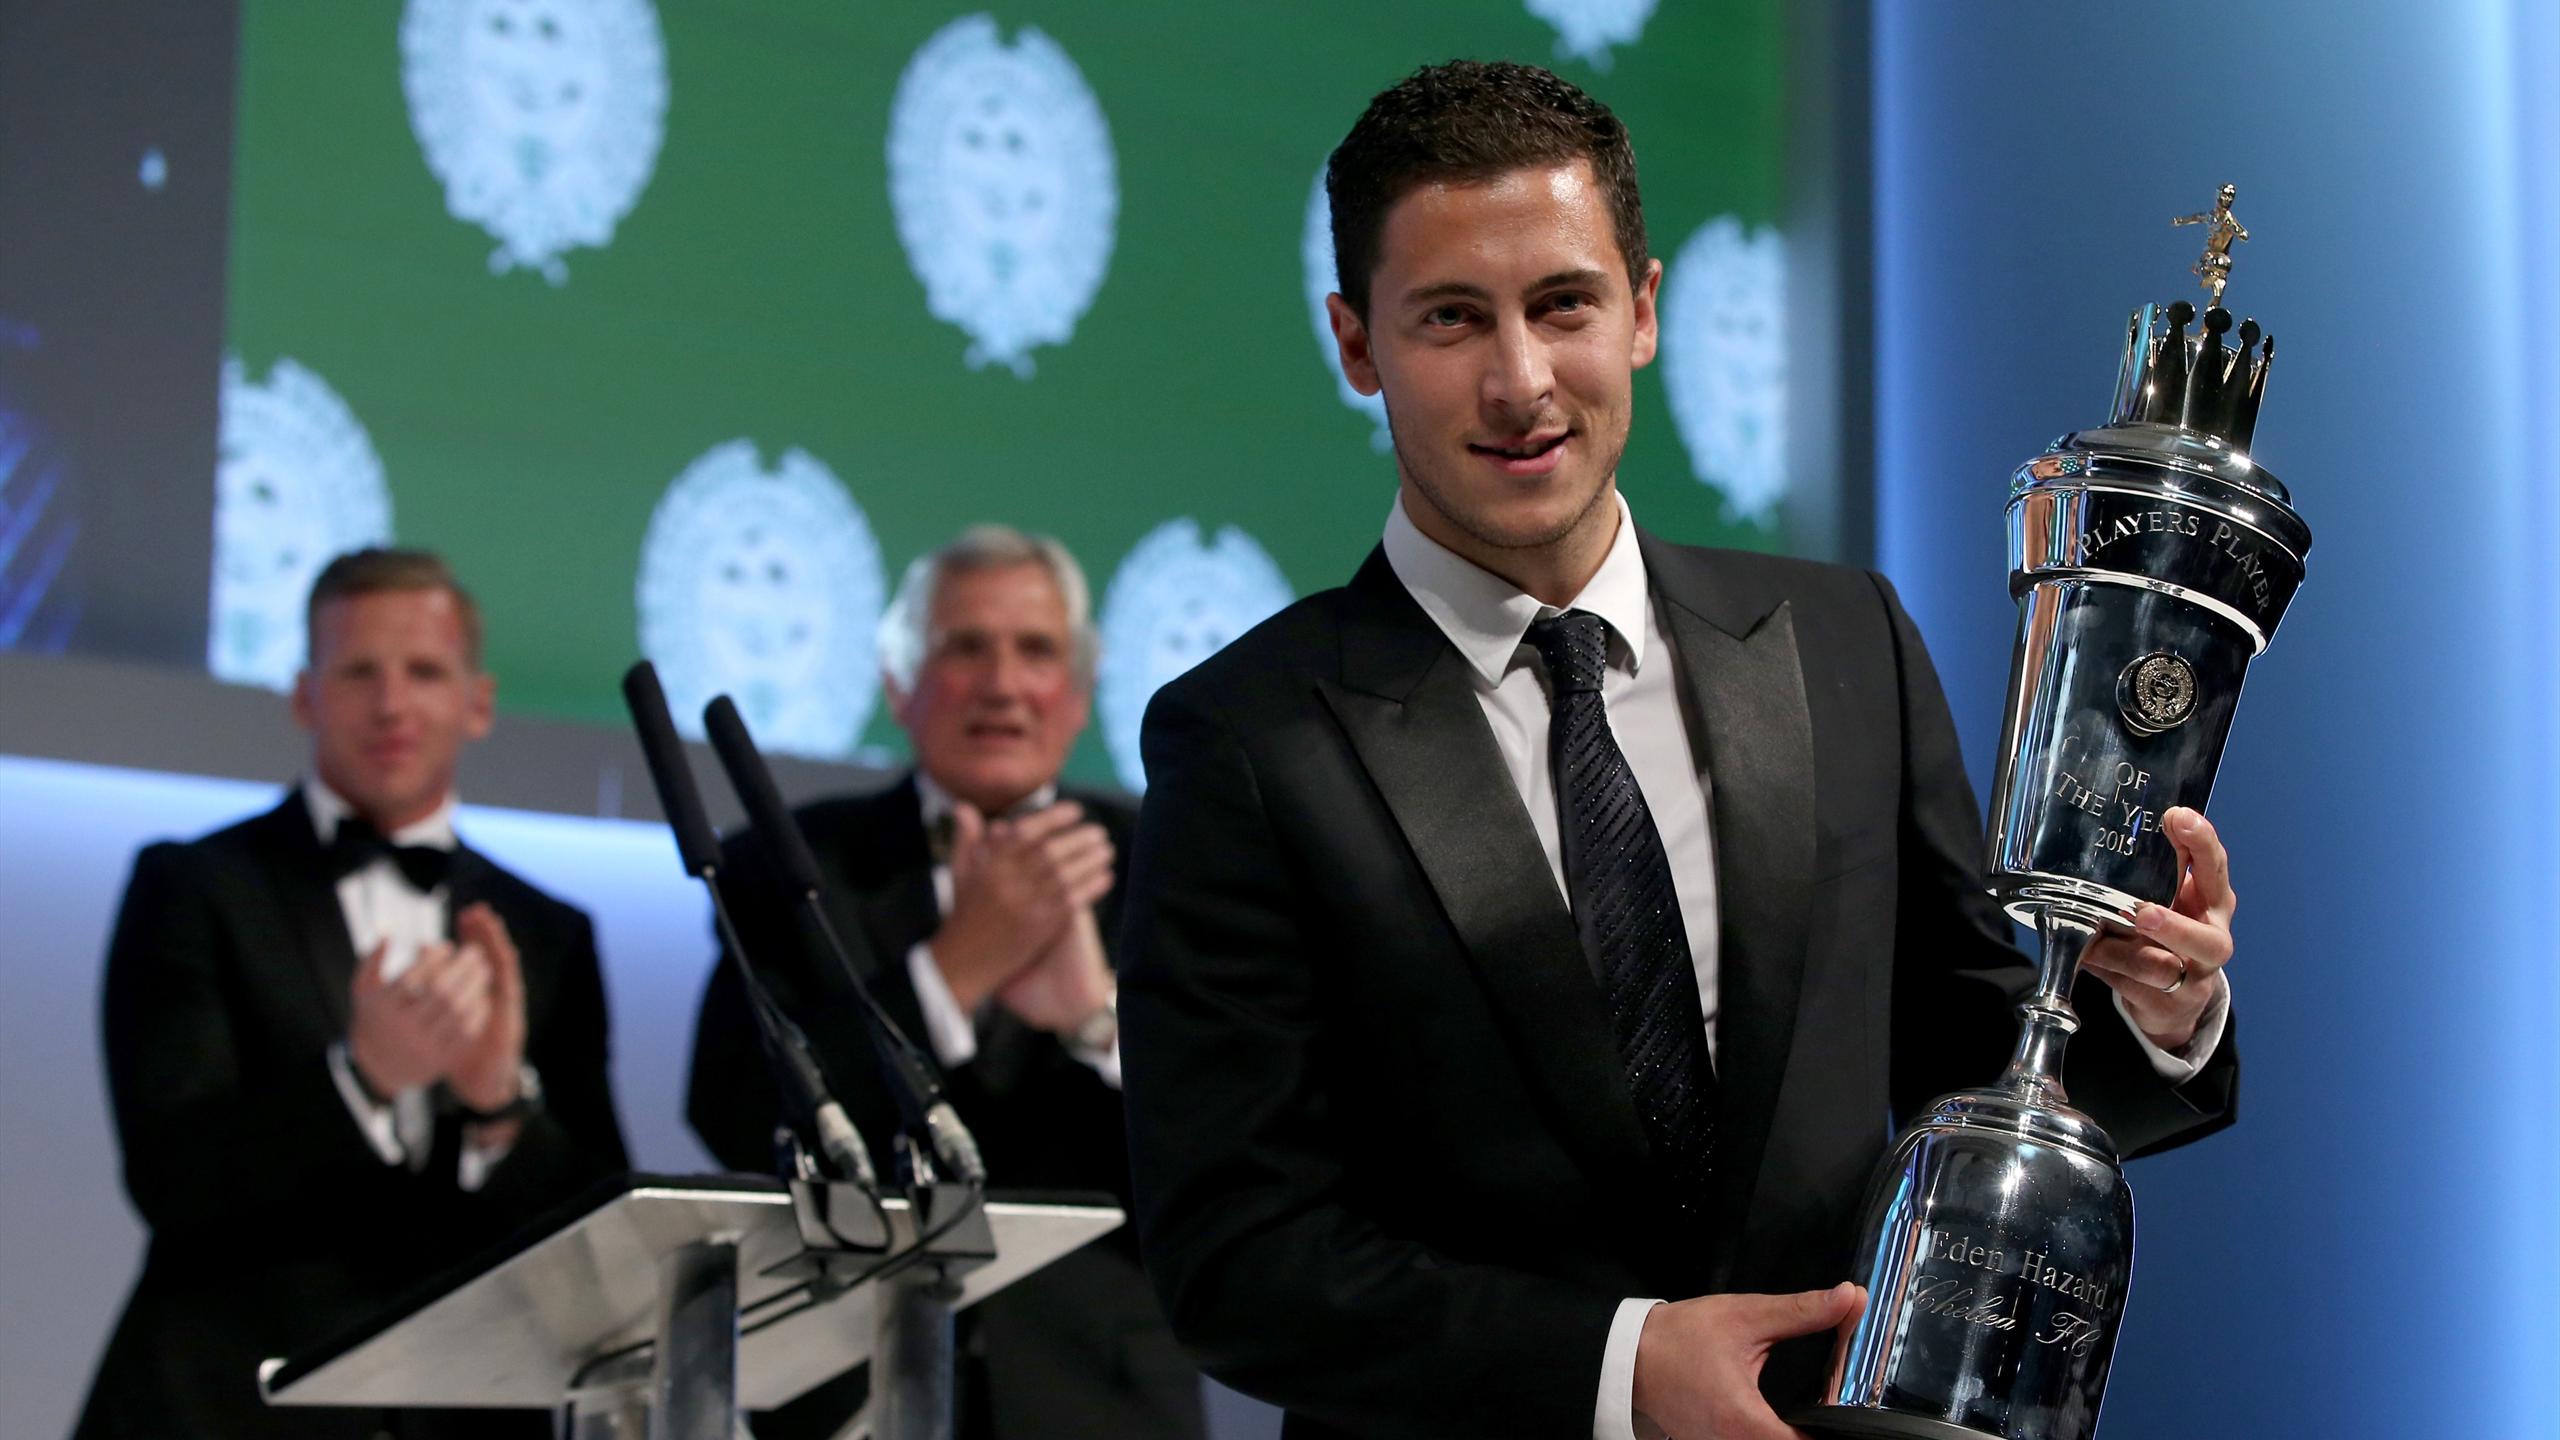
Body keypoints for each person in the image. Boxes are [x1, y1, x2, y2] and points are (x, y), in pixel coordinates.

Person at [1117, 61, 2240, 1440]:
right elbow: (1237, 1260)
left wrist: (2152, 1016)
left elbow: (1976, 1056)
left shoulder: (1842, 641)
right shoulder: (1246, 738)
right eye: (1452, 319)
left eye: (1562, 304)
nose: (1519, 380)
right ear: (1358, 344)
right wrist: (1619, 1366)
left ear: (1643, 309)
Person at [74, 548, 629, 1439]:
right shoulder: (195, 886)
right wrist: (362, 1079)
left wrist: (499, 1107)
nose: (392, 704)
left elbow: (599, 1241)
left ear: (478, 703)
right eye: (359, 671)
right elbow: (171, 1178)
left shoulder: (550, 930)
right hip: (224, 1410)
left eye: (425, 672)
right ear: (305, 695)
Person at [686, 525, 1204, 1440]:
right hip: (850, 1395)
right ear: (897, 683)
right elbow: (730, 1112)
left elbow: (1235, 1152)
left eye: (1036, 651)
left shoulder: (1177, 860)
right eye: (965, 647)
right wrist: (951, 971)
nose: (1002, 685)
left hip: (1101, 1401)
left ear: (1080, 692)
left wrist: (1093, 1023)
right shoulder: (785, 863)